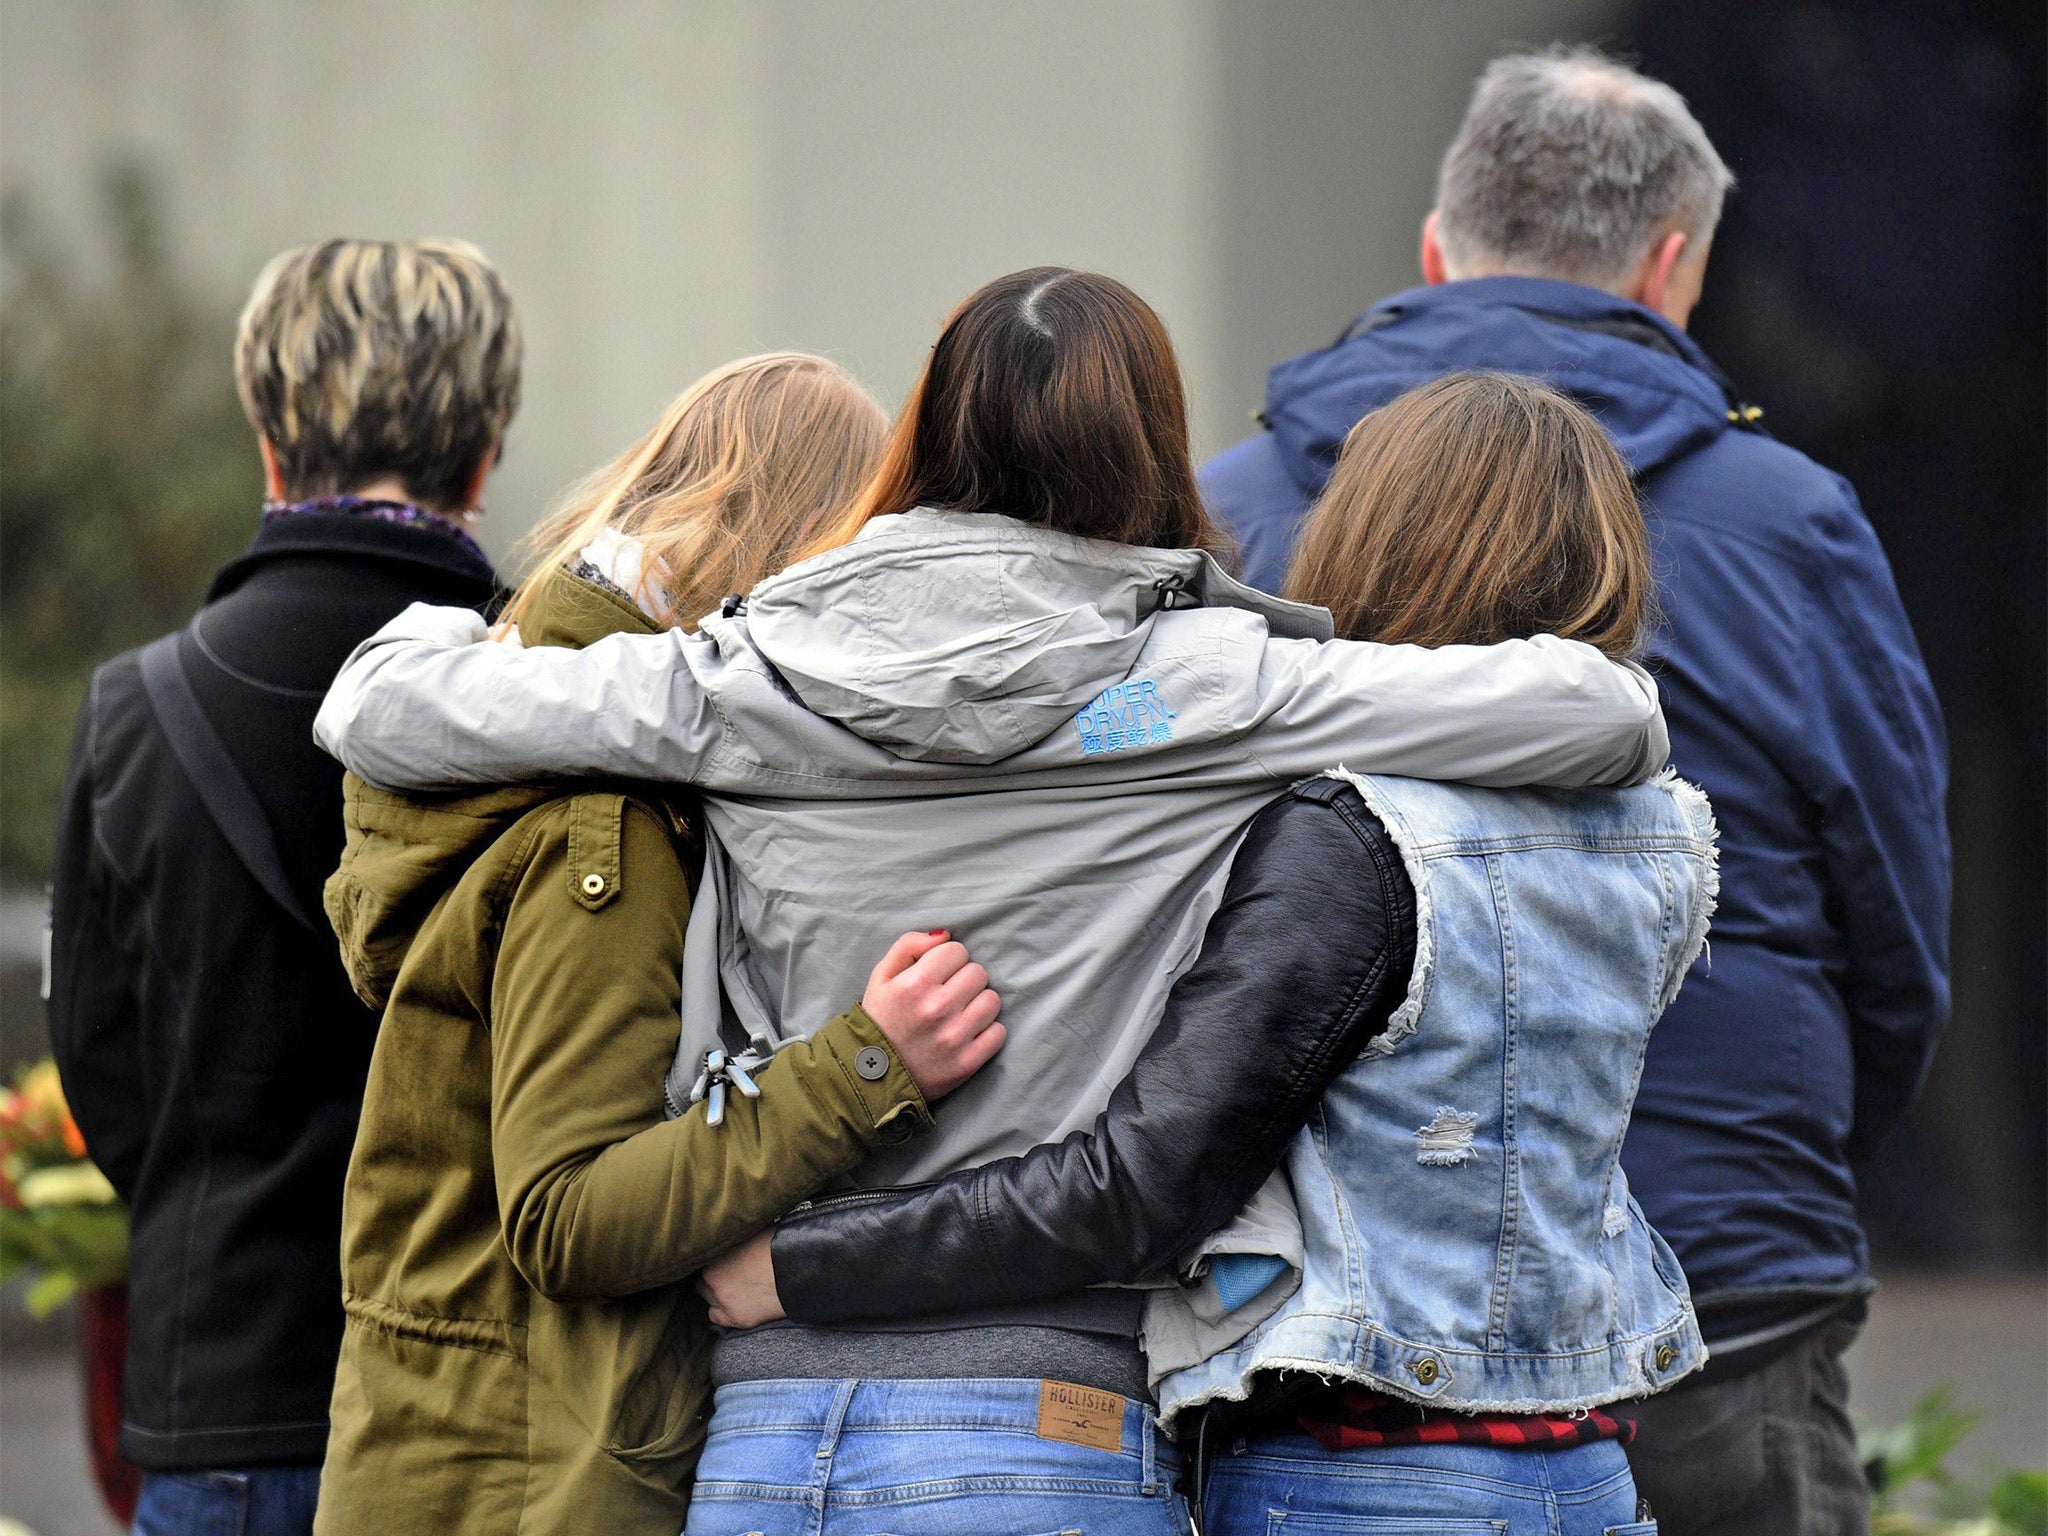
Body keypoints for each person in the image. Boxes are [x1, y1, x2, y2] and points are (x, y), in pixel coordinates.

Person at [314, 266, 1670, 1533]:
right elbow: (1600, 716)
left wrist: (440, 624)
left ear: (923, 435)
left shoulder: (748, 677)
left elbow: (380, 711)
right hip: (1047, 1425)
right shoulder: (1220, 687)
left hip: (763, 1436)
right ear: (1151, 448)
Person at [698, 373, 1707, 1536]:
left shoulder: (1352, 838)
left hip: (1358, 1471)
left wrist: (799, 1263)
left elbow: (1145, 1184)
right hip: (1582, 1466)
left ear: (1374, 538)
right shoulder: (1663, 832)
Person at [1200, 50, 1949, 1536]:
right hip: (1723, 1266)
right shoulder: (1791, 523)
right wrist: (1777, 1164)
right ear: (1674, 267)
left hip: (1334, 1312)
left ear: (1435, 249)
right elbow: (1895, 927)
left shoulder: (1226, 509)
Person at [312, 353, 1006, 1535]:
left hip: (453, 1460)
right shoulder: (609, 834)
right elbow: (567, 1214)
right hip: (533, 1481)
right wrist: (864, 1067)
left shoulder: (525, 741)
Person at [44, 238, 516, 1536]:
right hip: (483, 1413)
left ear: (268, 440)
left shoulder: (133, 711)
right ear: (483, 458)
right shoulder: (564, 691)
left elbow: (100, 1062)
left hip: (224, 1396)